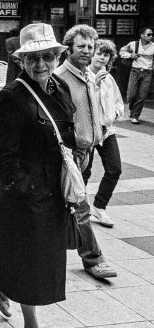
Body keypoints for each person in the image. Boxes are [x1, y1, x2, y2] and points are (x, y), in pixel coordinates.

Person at [0, 23, 75, 328]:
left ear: (57, 57)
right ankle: (32, 320)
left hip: (55, 188)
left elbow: (68, 134)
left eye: (47, 57)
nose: (40, 64)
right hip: (27, 191)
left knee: (25, 249)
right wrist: (24, 188)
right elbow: (1, 154)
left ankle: (2, 283)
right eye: (33, 58)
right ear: (22, 61)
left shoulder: (61, 88)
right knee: (33, 258)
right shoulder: (12, 97)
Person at [55, 24, 118, 280]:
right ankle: (93, 258)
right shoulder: (60, 77)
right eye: (81, 46)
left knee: (69, 204)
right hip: (70, 155)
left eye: (90, 47)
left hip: (87, 153)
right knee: (79, 204)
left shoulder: (90, 75)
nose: (87, 51)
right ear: (69, 47)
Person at [83, 39, 124, 228]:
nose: (102, 57)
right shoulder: (84, 75)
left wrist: (114, 115)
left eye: (106, 55)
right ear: (92, 54)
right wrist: (95, 86)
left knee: (114, 169)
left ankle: (99, 207)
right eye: (99, 53)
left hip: (107, 131)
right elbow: (83, 102)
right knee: (84, 171)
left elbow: (118, 102)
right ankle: (78, 209)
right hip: (89, 130)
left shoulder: (109, 77)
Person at [119, 26, 153, 124]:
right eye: (148, 34)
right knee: (131, 95)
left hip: (147, 72)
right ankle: (131, 109)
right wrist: (130, 55)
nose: (151, 36)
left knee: (142, 96)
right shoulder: (133, 44)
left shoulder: (153, 46)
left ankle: (135, 115)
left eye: (152, 35)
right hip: (135, 71)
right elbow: (122, 51)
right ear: (142, 35)